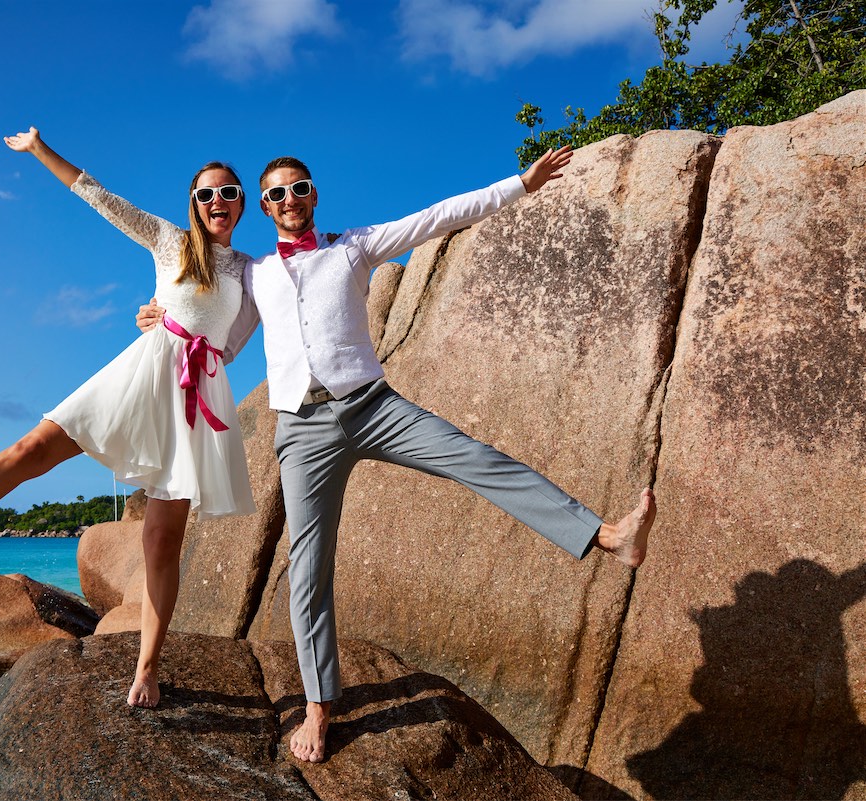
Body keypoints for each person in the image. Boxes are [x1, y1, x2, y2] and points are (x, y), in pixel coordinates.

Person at [137, 145, 656, 762]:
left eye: (296, 188)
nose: (287, 201)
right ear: (266, 207)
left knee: (476, 458)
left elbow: (439, 215)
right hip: (303, 428)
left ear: (314, 195)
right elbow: (219, 342)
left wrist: (522, 184)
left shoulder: (354, 245)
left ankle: (605, 536)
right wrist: (162, 319)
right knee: (308, 569)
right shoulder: (255, 275)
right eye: (274, 194)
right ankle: (318, 708)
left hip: (373, 407)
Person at [0, 126, 256, 709]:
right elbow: (99, 196)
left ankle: (147, 666)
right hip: (139, 374)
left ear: (243, 202)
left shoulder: (251, 272)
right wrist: (41, 150)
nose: (218, 201)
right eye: (207, 194)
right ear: (192, 206)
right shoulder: (170, 243)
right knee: (27, 453)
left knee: (162, 542)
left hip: (196, 395)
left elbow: (235, 341)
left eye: (229, 192)